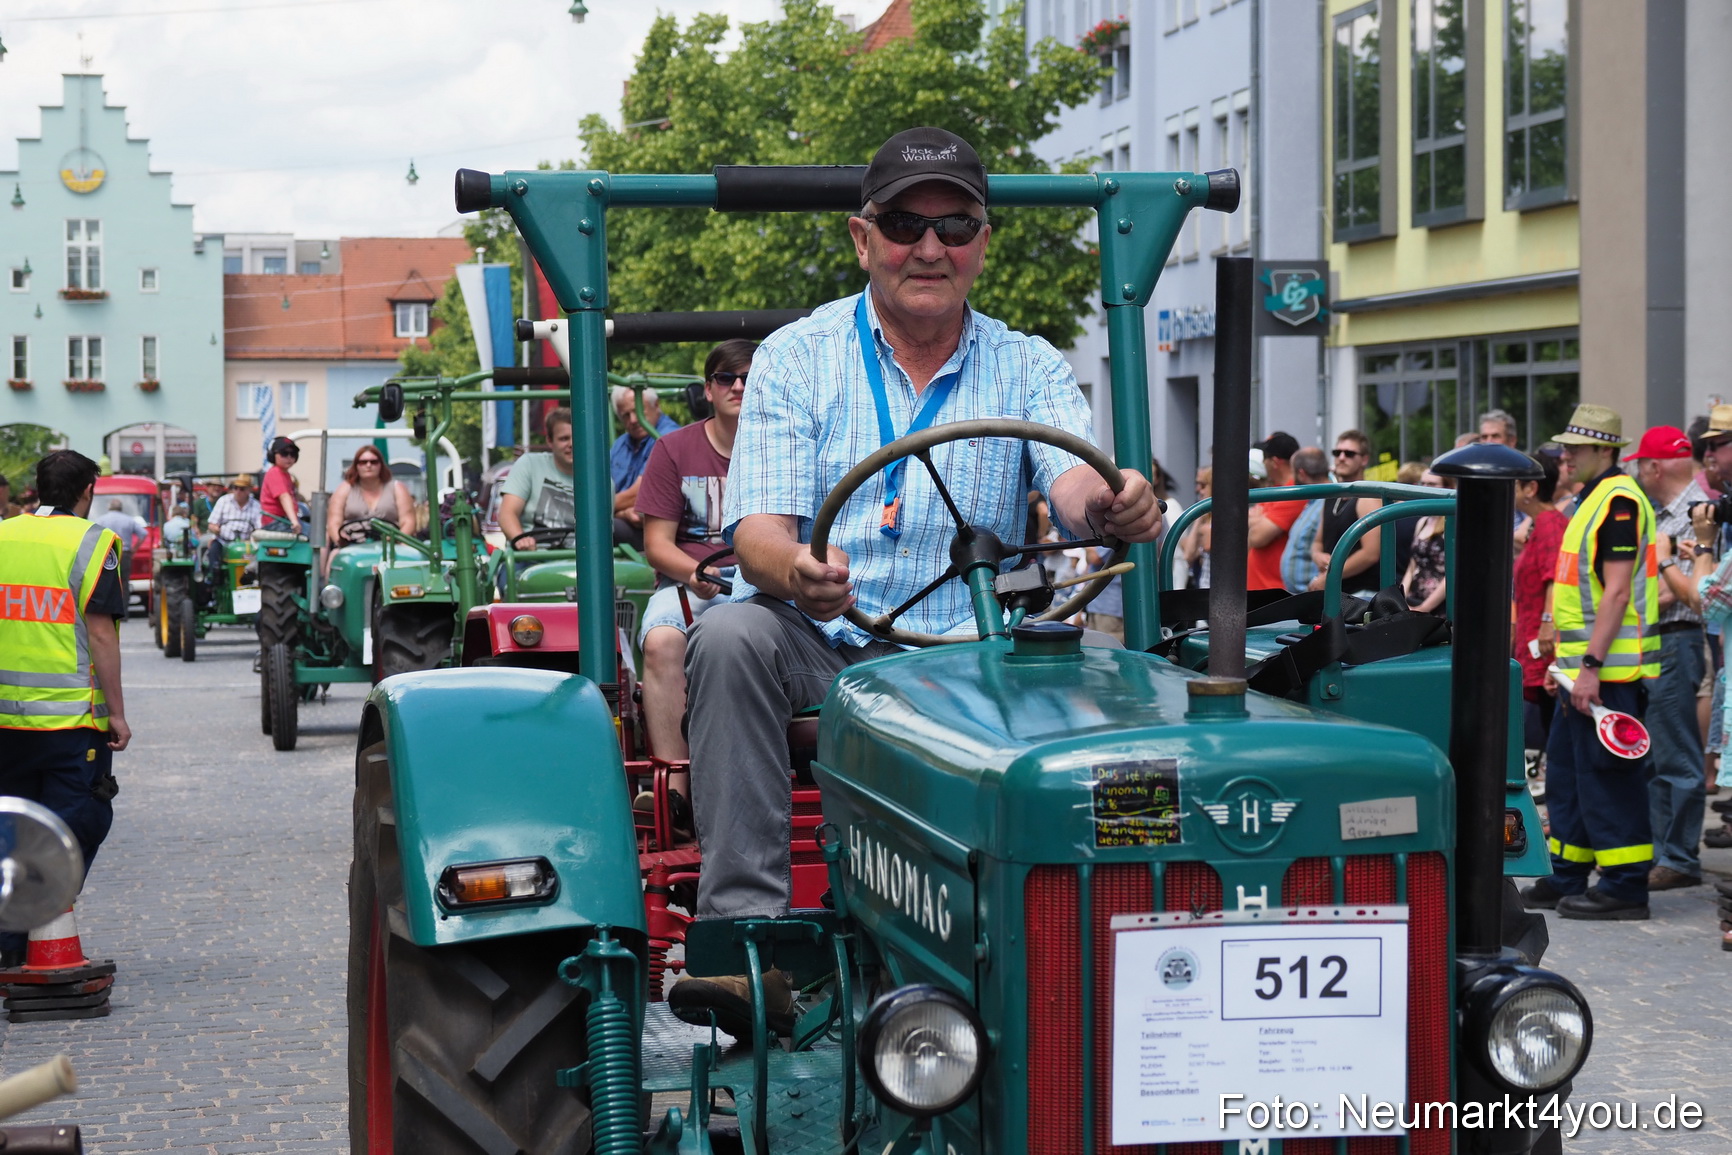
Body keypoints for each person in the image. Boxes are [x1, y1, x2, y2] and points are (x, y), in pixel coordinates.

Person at [669, 127, 1164, 1037]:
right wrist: (803, 575)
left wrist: (1117, 504)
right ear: (864, 238)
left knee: (1113, 674)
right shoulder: (797, 356)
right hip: (823, 644)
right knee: (732, 634)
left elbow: (1077, 483)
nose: (929, 247)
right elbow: (759, 533)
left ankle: (1074, 939)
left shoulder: (1026, 363)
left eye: (955, 223)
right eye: (905, 223)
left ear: (983, 239)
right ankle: (748, 941)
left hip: (972, 656)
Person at [1522, 403, 1660, 921]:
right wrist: (1567, 666)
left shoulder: (1618, 501)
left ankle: (1625, 886)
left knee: (1607, 776)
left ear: (1605, 450)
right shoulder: (1592, 499)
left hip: (1609, 675)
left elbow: (1618, 592)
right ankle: (1568, 874)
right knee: (1569, 775)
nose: (1565, 455)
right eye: (1564, 447)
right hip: (1584, 670)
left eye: (1576, 448)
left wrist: (1592, 667)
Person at [0, 450, 128, 967]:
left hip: (5, 721)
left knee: (13, 828)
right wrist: (117, 712)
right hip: (69, 721)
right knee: (77, 823)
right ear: (88, 490)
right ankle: (35, 938)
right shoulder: (95, 544)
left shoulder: (4, 534)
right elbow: (100, 633)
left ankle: (10, 943)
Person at [635, 339, 755, 764]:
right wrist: (694, 574)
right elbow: (657, 546)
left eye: (749, 377)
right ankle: (677, 785)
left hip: (767, 586)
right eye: (727, 378)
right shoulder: (673, 450)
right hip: (692, 587)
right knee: (662, 640)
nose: (738, 386)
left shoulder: (786, 448)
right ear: (708, 390)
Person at [1627, 425, 1709, 890]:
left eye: (1641, 463)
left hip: (1676, 637)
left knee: (1675, 753)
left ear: (1655, 467)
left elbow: (1684, 593)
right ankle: (1664, 852)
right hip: (1664, 639)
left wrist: (1653, 573)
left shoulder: (1697, 515)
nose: (1638, 471)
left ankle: (1678, 857)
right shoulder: (1666, 514)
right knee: (1658, 754)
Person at [1513, 453, 1568, 756]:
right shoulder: (1543, 524)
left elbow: (1555, 577)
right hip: (1539, 643)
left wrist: (1548, 623)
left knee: (1555, 733)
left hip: (1546, 646)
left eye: (1513, 484)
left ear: (1530, 488)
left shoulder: (1549, 525)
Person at [1310, 429, 1382, 594]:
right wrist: (1317, 555)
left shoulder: (1367, 498)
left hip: (1360, 595)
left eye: (1349, 454)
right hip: (1334, 591)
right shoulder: (1331, 497)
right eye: (1337, 452)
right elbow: (1317, 542)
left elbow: (1370, 553)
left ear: (1364, 459)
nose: (1341, 457)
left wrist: (1329, 576)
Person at [498, 408, 577, 552]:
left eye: (577, 437)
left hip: (577, 561)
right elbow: (507, 513)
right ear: (550, 441)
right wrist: (521, 540)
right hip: (531, 557)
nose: (571, 444)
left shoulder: (601, 481)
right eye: (564, 439)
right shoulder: (529, 464)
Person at [610, 388, 680, 547]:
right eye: (625, 415)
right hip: (627, 520)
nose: (633, 420)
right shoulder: (621, 444)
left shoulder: (669, 438)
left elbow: (640, 494)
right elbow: (601, 488)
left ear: (656, 405)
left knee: (598, 529)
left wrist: (597, 508)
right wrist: (623, 513)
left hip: (661, 529)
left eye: (638, 411)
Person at [1246, 431, 1305, 591]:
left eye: (1265, 458)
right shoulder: (1276, 490)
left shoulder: (1296, 492)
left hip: (1275, 594)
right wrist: (1257, 522)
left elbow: (1257, 537)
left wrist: (1256, 522)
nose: (1263, 463)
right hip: (1259, 592)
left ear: (1275, 462)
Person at [327, 446, 417, 545]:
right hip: (352, 546)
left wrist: (398, 540)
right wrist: (341, 540)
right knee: (333, 557)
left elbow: (408, 521)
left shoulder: (397, 488)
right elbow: (334, 523)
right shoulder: (344, 489)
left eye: (373, 462)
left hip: (391, 546)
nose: (368, 465)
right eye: (363, 462)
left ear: (381, 464)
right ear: (356, 465)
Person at [1401, 471, 1452, 614]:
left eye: (1432, 484)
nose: (1425, 488)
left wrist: (1425, 608)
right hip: (1413, 601)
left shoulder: (1451, 523)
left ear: (1447, 488)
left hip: (1438, 607)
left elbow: (1452, 574)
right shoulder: (1422, 522)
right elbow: (1412, 566)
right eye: (1422, 483)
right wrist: (1401, 598)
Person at [1280, 447, 1328, 594]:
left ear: (1301, 473)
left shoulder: (1330, 501)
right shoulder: (1313, 501)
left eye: (1293, 472)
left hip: (1315, 595)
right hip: (1301, 595)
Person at [93, 497, 147, 618]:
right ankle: (124, 612)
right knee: (124, 582)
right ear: (121, 508)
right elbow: (143, 534)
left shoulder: (102, 520)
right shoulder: (129, 520)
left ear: (109, 507)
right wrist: (134, 549)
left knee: (107, 582)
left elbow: (94, 535)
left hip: (107, 554)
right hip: (125, 553)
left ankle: (109, 612)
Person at [205, 474, 263, 572]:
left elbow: (259, 528)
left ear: (249, 490)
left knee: (261, 556)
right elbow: (212, 523)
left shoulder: (256, 505)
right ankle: (213, 579)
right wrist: (215, 529)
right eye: (235, 488)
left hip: (246, 544)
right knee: (213, 553)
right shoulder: (224, 501)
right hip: (223, 542)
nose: (238, 491)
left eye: (242, 489)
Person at [258, 436, 305, 535]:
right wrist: (294, 521)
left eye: (293, 454)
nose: (289, 457)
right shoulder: (275, 473)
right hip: (275, 523)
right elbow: (284, 497)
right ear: (272, 455)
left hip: (282, 521)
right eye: (284, 453)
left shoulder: (285, 474)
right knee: (317, 534)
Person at [1182, 466, 1213, 590]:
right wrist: (1201, 513)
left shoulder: (1225, 518)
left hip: (1219, 592)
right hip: (1204, 587)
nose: (1199, 490)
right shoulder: (1205, 518)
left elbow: (1207, 544)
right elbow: (1189, 555)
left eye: (1204, 485)